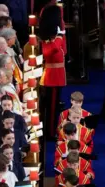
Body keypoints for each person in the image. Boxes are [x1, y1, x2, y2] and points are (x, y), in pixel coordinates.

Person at [39, 4, 66, 137]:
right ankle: (50, 132)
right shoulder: (48, 42)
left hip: (57, 77)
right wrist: (60, 37)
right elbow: (51, 51)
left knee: (54, 107)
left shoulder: (53, 39)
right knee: (52, 107)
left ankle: (52, 129)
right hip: (52, 78)